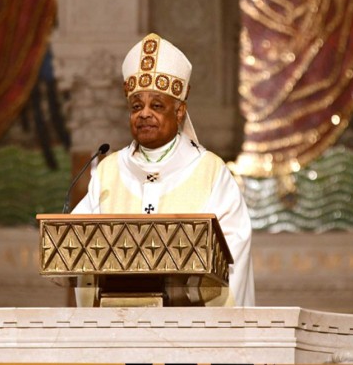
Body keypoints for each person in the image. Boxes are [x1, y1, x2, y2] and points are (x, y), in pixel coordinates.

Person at [72, 33, 255, 307]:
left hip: (190, 329)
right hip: (116, 330)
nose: (144, 114)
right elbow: (77, 246)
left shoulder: (210, 172)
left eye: (157, 105)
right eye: (136, 106)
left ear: (179, 112)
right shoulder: (109, 172)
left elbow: (233, 254)